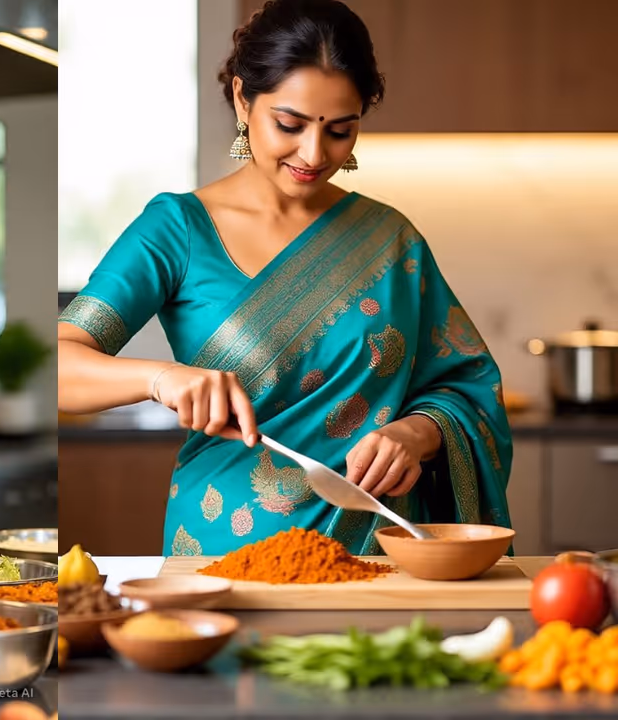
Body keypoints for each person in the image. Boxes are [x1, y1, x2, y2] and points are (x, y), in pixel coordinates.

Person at [57, 0, 511, 558]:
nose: (314, 154)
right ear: (244, 99)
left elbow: (465, 384)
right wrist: (162, 379)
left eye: (341, 131)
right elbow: (58, 364)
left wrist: (414, 435)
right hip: (224, 550)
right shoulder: (178, 229)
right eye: (289, 125)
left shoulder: (390, 239)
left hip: (377, 551)